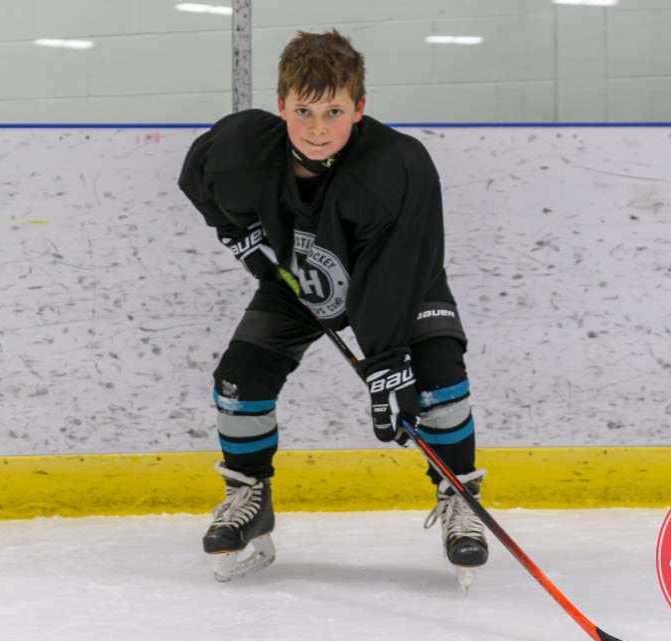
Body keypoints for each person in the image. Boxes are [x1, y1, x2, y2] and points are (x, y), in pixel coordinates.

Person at [178, 29, 488, 583]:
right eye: (303, 110)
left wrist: (388, 360)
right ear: (280, 106)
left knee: (438, 375)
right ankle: (250, 496)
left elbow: (395, 273)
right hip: (300, 279)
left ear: (360, 108)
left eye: (334, 111)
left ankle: (459, 495)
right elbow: (198, 175)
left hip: (400, 281)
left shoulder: (397, 167)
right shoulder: (244, 152)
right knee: (238, 379)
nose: (318, 128)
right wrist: (239, 234)